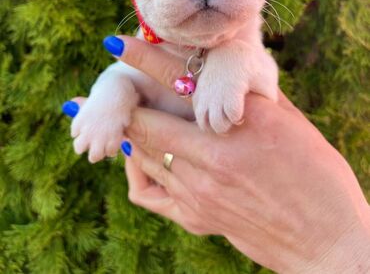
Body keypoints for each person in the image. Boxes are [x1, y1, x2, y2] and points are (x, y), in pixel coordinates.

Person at [68, 36, 370, 274]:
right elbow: (119, 77)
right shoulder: (143, 46)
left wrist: (340, 253)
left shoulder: (246, 44)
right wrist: (111, 98)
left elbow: (261, 76)